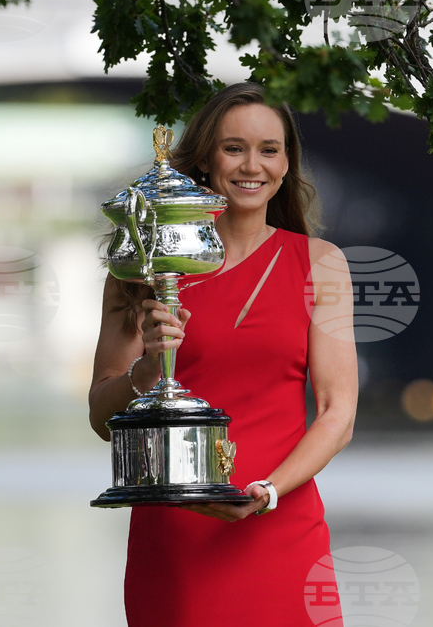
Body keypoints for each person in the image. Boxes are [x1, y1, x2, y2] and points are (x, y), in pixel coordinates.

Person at [88, 82, 358, 626]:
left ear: (287, 163)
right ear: (207, 159)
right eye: (234, 148)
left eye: (269, 149)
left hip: (282, 524)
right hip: (177, 537)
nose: (251, 165)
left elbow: (337, 415)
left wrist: (266, 492)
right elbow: (101, 417)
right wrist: (144, 371)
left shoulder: (321, 265)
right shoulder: (143, 268)